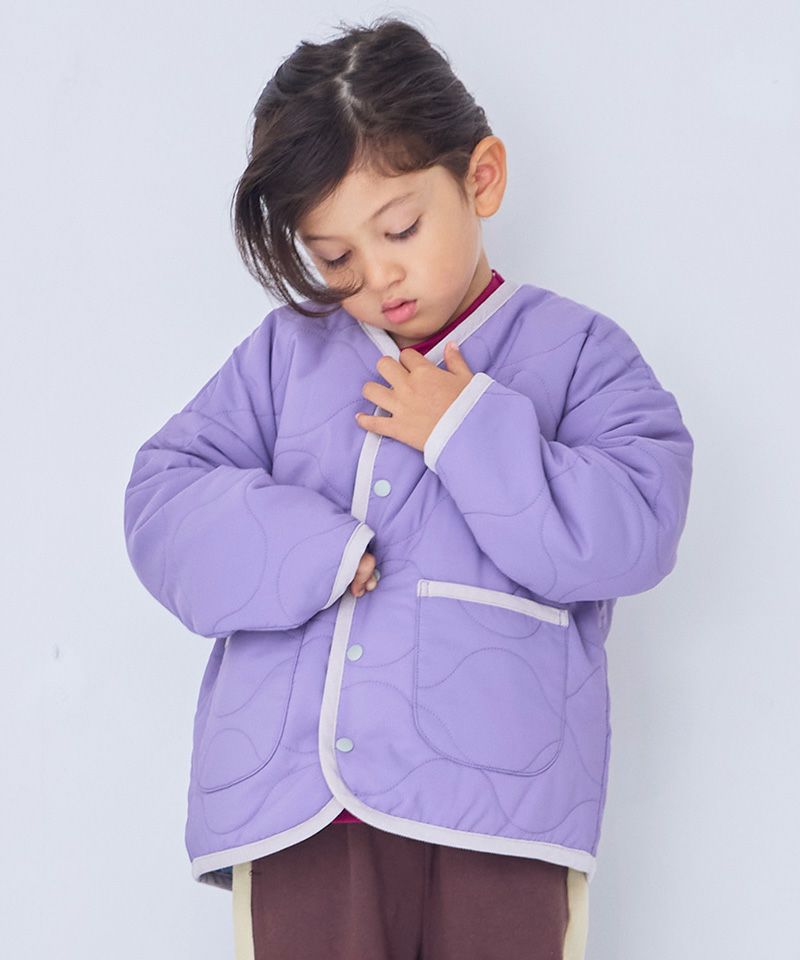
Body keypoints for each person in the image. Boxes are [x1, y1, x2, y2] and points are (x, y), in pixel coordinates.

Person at [122, 15, 694, 960]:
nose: (378, 276)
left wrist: (464, 427)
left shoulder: (579, 353)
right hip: (300, 807)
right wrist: (312, 549)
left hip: (501, 809)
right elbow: (163, 501)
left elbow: (636, 522)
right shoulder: (285, 358)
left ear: (481, 178)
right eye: (335, 258)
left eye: (400, 229)